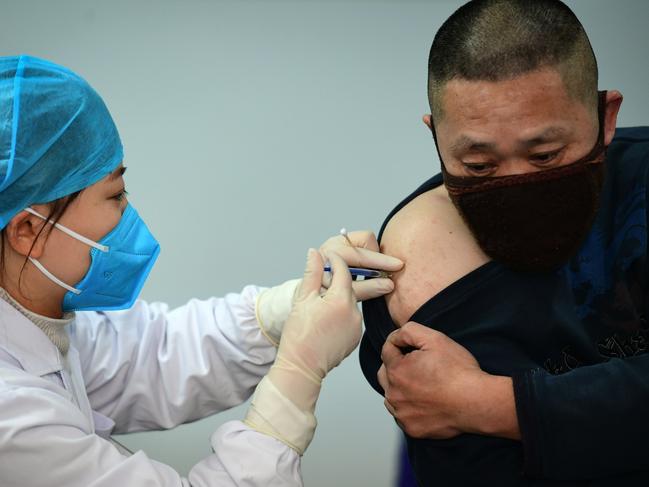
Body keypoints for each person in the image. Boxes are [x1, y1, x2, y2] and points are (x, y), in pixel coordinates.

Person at [0, 55, 404, 486]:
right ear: (27, 229)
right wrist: (297, 373)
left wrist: (285, 308)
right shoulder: (12, 416)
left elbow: (154, 356)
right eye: (116, 194)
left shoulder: (39, 326)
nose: (129, 215)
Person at [359, 0, 649, 485]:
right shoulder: (416, 259)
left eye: (544, 155)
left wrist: (488, 403)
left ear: (606, 116)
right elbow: (477, 462)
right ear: (437, 138)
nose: (517, 183)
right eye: (479, 166)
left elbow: (461, 412)